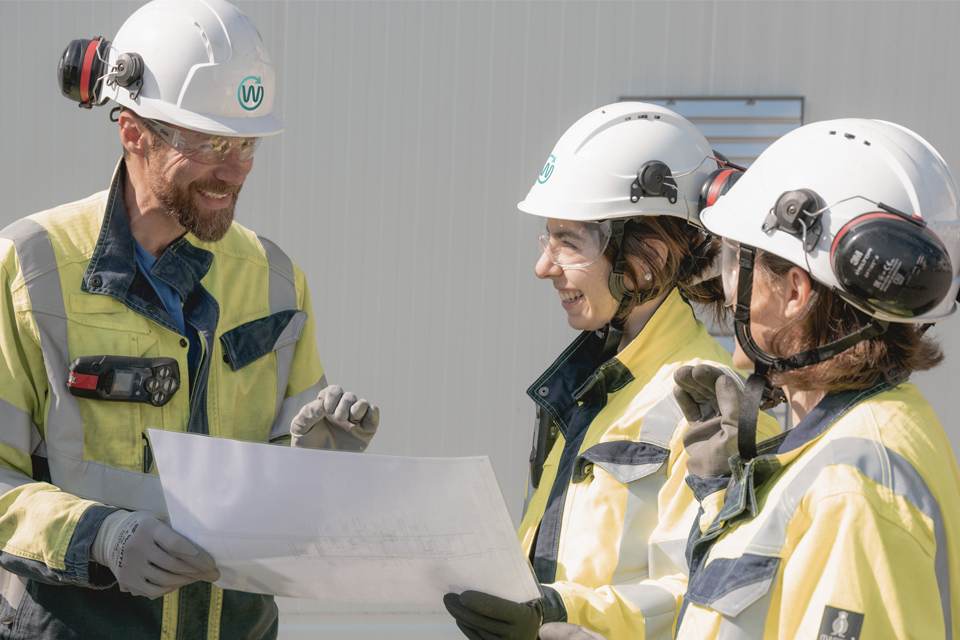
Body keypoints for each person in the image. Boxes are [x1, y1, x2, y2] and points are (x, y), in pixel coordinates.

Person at [0, 0, 378, 637]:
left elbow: (278, 501)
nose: (235, 172)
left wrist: (314, 470)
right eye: (210, 143)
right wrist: (100, 536)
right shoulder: (30, 268)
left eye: (247, 143)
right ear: (133, 132)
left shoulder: (276, 281)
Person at [443, 102, 781, 640]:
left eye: (568, 242)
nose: (543, 266)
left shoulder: (713, 406)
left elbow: (705, 595)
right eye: (545, 238)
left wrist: (556, 613)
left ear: (645, 253)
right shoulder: (591, 386)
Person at [672, 118, 960, 638]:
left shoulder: (852, 491)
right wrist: (724, 495)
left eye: (738, 260)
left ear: (795, 294)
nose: (725, 283)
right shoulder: (859, 437)